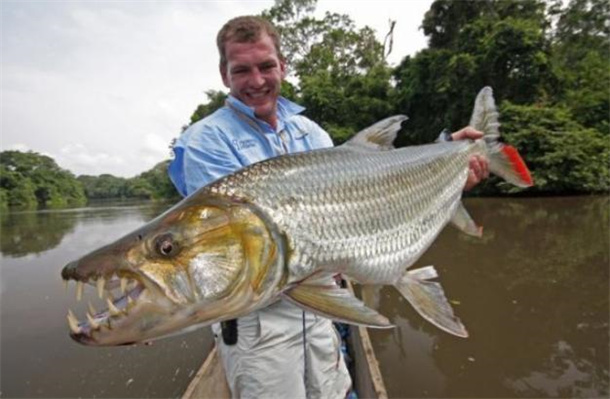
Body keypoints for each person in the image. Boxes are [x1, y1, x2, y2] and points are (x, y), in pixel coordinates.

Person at [168, 15, 488, 399]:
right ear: (225, 74)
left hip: (321, 311)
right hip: (258, 327)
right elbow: (224, 254)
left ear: (282, 66)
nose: (256, 81)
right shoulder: (206, 141)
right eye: (242, 70)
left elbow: (369, 186)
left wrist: (446, 156)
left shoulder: (311, 132)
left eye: (266, 66)